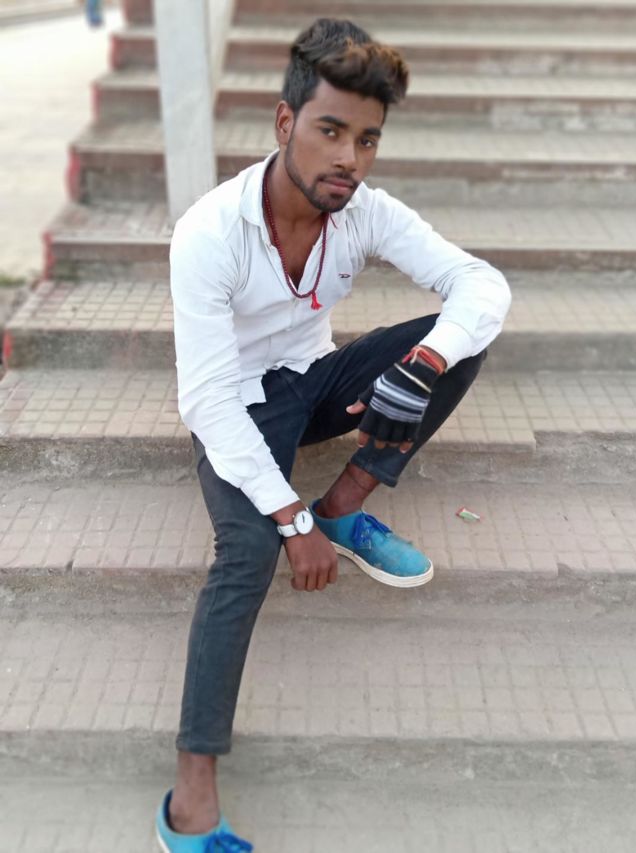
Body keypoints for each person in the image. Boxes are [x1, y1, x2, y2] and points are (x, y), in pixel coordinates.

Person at [155, 17, 511, 852]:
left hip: (316, 379)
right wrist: (288, 516)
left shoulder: (364, 212)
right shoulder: (209, 232)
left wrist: (421, 364)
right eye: (330, 131)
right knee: (245, 551)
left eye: (367, 139)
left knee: (461, 340)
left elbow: (481, 283)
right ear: (286, 124)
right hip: (239, 404)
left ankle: (347, 507)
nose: (349, 157)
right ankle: (191, 794)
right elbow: (205, 399)